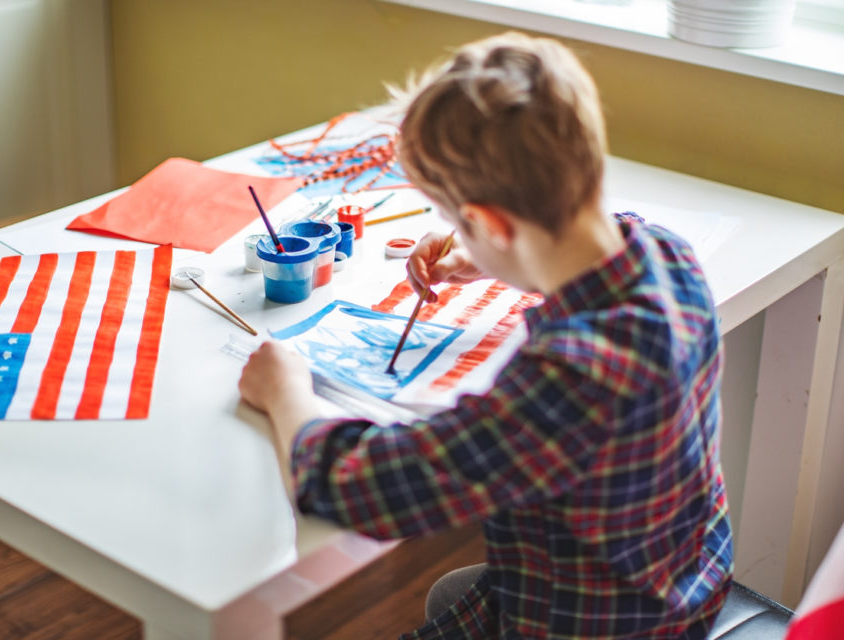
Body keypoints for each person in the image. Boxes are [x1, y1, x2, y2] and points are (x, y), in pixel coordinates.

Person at [238, 31, 732, 639]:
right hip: (683, 580)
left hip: (600, 624)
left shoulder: (568, 380)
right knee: (454, 592)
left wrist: (286, 389)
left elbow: (357, 490)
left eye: (457, 225)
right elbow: (610, 234)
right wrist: (499, 257)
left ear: (492, 222)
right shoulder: (668, 256)